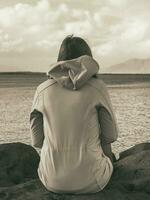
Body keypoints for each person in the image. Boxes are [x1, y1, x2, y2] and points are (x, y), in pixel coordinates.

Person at [29, 35, 118, 194]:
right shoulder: (98, 87)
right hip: (92, 181)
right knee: (107, 156)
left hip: (51, 180)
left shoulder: (42, 90)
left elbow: (37, 141)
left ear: (60, 59)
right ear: (88, 58)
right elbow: (110, 135)